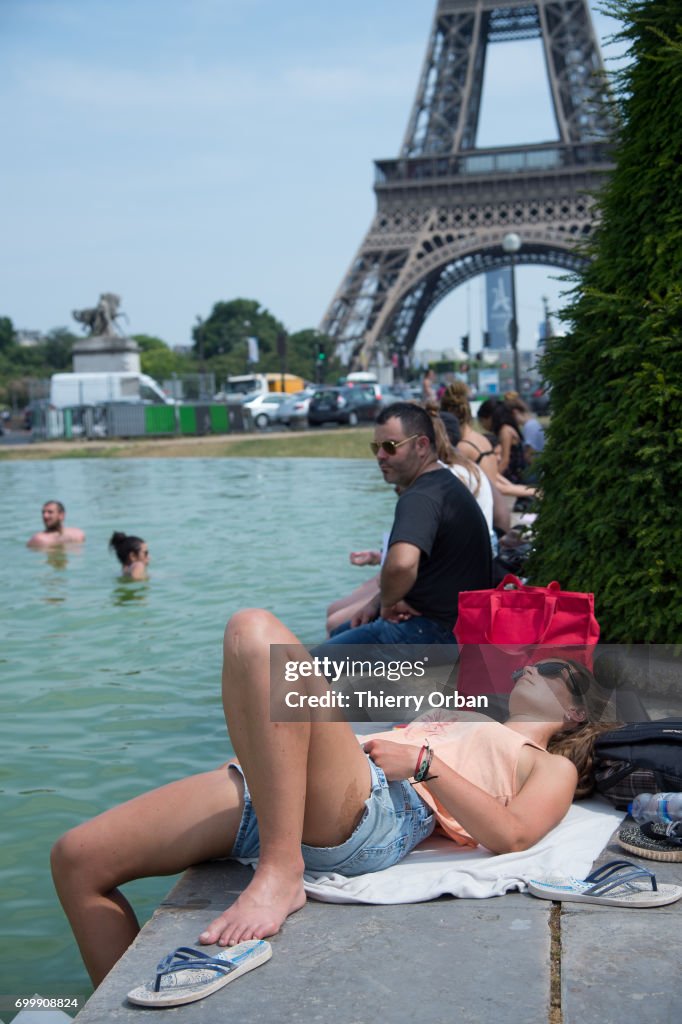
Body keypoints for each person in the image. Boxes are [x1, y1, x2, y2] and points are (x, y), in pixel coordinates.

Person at [50, 609, 612, 987]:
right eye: (530, 662)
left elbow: (513, 836)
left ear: (575, 712)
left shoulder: (549, 764)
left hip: (376, 811)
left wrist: (424, 763)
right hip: (293, 791)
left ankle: (281, 871)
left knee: (254, 631)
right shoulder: (466, 713)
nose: (530, 666)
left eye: (550, 670)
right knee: (77, 860)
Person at [321, 402, 491, 649]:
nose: (380, 456)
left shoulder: (420, 497)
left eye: (390, 447)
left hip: (435, 634)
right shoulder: (443, 483)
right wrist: (376, 603)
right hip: (456, 627)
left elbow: (401, 564)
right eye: (376, 447)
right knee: (338, 632)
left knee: (305, 669)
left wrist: (389, 601)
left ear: (421, 445)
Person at [439, 382, 511, 534]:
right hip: (496, 513)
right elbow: (495, 480)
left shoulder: (463, 448)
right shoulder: (482, 439)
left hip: (484, 521)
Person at [478, 398, 527, 485]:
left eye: (482, 421)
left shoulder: (505, 431)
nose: (482, 425)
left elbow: (505, 461)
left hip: (514, 479)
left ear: (489, 418)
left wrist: (491, 480)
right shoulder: (507, 428)